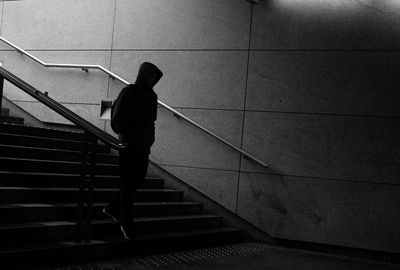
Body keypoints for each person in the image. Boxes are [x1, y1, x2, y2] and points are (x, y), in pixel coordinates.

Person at [103, 62, 163, 239]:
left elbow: (152, 121)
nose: (152, 80)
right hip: (129, 146)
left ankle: (113, 207)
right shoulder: (129, 91)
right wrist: (126, 138)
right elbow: (117, 117)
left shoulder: (152, 96)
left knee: (137, 181)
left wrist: (150, 139)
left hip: (143, 147)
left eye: (155, 78)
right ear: (143, 75)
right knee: (128, 184)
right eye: (150, 76)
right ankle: (126, 222)